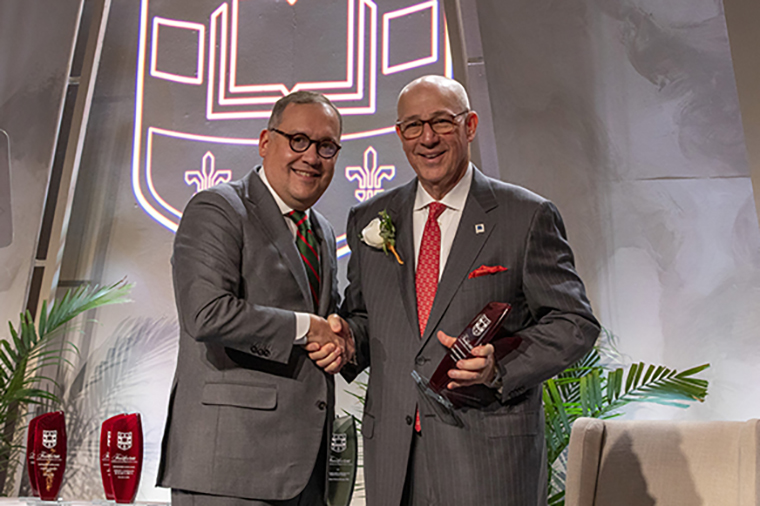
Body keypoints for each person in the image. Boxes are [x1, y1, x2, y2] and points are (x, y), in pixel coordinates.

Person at [333, 75, 600, 505]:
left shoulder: (525, 216)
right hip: (394, 457)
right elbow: (366, 317)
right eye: (414, 126)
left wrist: (499, 367)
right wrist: (346, 338)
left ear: (470, 125)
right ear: (400, 135)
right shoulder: (371, 217)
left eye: (441, 122)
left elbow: (574, 323)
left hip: (488, 455)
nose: (428, 138)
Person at [157, 91, 353, 506]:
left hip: (303, 474)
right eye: (297, 140)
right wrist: (307, 328)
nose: (312, 157)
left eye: (326, 146)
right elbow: (207, 314)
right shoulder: (219, 208)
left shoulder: (322, 231)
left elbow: (325, 325)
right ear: (266, 142)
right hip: (228, 469)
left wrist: (341, 340)